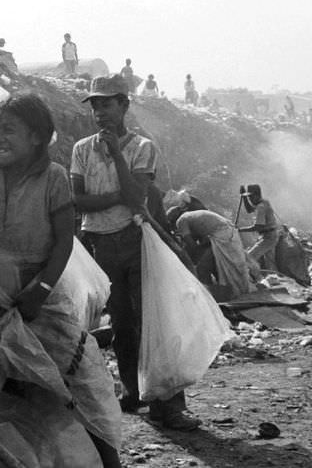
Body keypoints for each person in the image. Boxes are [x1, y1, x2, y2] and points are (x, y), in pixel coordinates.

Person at [0, 92, 121, 466]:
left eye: (9, 130)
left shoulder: (52, 177)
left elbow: (63, 240)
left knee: (72, 385)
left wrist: (39, 289)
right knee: (4, 390)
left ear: (37, 137)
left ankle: (107, 459)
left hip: (43, 295)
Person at [71, 74, 201, 431]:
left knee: (153, 321)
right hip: (100, 242)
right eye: (95, 104)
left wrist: (115, 154)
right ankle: (134, 391)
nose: (100, 111)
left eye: (107, 103)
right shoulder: (81, 149)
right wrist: (116, 197)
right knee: (123, 325)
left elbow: (135, 197)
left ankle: (168, 404)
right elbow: (78, 201)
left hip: (135, 239)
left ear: (124, 105)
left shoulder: (142, 147)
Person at [169, 208, 255, 297]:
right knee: (226, 266)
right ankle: (233, 290)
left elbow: (192, 245)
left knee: (203, 267)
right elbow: (202, 240)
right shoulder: (191, 215)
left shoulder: (181, 221)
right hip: (229, 232)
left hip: (221, 235)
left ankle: (208, 295)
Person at [239, 184, 279, 271]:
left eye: (251, 197)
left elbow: (258, 227)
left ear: (257, 195)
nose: (250, 199)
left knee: (249, 257)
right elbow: (249, 210)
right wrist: (244, 197)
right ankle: (273, 278)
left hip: (268, 237)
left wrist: (239, 230)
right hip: (270, 235)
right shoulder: (263, 202)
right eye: (248, 197)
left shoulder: (261, 207)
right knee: (270, 263)